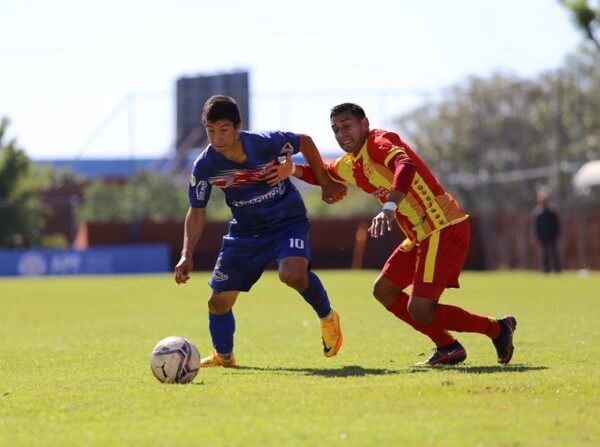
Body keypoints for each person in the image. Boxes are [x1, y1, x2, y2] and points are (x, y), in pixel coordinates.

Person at [290, 102, 517, 366]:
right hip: (421, 234)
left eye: (346, 126)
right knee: (384, 290)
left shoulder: (378, 142)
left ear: (364, 124)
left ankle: (497, 329)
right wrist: (291, 170)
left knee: (420, 309)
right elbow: (323, 174)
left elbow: (404, 164)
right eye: (335, 130)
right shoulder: (352, 163)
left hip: (441, 225)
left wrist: (389, 207)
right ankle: (447, 346)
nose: (341, 134)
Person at [174, 95, 346, 368]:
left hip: (286, 221)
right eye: (210, 130)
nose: (217, 138)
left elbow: (306, 141)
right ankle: (224, 357)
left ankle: (327, 317)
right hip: (245, 231)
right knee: (217, 303)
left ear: (238, 126)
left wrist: (324, 182)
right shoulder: (205, 166)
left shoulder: (265, 142)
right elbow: (196, 211)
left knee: (291, 273)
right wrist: (186, 254)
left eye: (224, 129)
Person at [532, 192, 562, 273]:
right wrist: (536, 235)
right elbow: (536, 226)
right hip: (542, 236)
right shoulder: (537, 212)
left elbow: (557, 224)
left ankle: (557, 270)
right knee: (544, 254)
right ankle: (546, 270)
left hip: (552, 235)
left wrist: (558, 234)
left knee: (554, 252)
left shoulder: (552, 211)